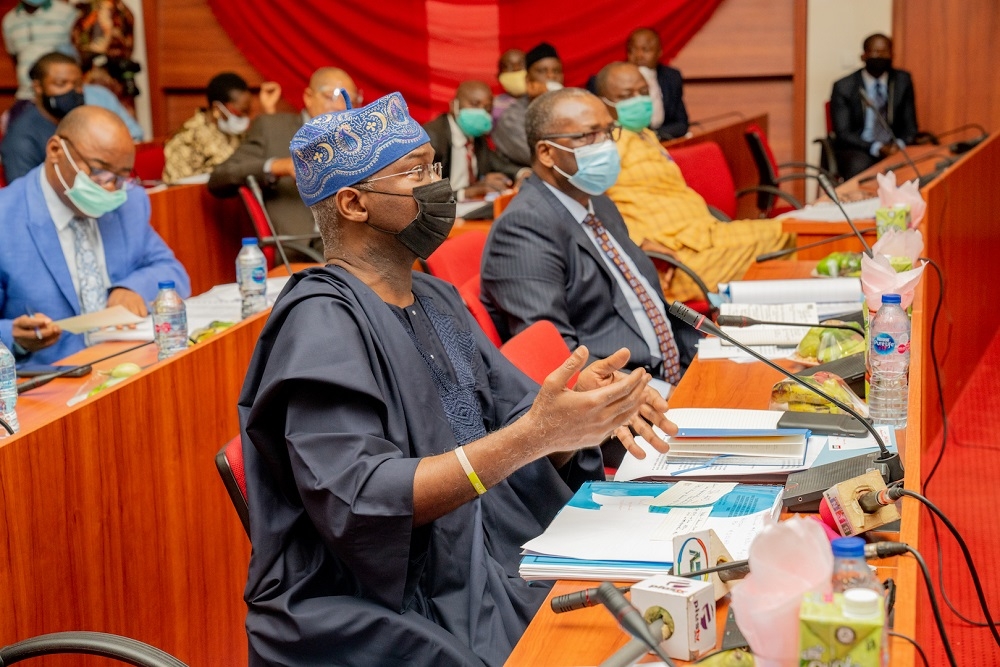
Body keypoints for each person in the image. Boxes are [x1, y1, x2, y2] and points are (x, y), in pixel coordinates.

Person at [238, 90, 675, 667]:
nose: (436, 186)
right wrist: (537, 435)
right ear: (352, 203)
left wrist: (576, 418)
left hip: (488, 542)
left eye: (434, 166)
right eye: (415, 171)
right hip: (386, 597)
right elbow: (362, 500)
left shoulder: (436, 296)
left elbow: (517, 420)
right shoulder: (320, 323)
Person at [481, 87, 699, 397]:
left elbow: (649, 304)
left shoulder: (600, 203)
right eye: (588, 136)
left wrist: (711, 348)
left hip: (674, 371)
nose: (606, 145)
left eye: (609, 131)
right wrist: (651, 393)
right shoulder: (523, 228)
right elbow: (557, 358)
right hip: (622, 397)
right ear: (546, 152)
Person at [0, 106, 190, 366]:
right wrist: (14, 336)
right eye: (98, 171)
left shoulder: (128, 201)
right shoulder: (6, 219)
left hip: (129, 365)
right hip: (49, 382)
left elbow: (172, 272)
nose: (110, 188)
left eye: (122, 177)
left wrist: (132, 289)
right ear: (55, 151)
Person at [595, 62, 789, 302]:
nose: (638, 100)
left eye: (643, 93)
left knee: (788, 231)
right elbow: (592, 203)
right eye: (626, 96)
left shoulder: (646, 135)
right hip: (676, 260)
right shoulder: (605, 145)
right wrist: (638, 242)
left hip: (704, 234)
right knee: (788, 245)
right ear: (604, 103)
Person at [208, 67, 358, 243]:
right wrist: (279, 166)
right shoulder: (272, 128)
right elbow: (219, 178)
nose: (341, 107)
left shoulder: (355, 140)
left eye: (350, 101)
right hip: (301, 247)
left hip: (351, 245)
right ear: (308, 97)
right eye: (332, 96)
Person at [830, 33, 918, 179]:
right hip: (860, 148)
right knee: (860, 168)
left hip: (894, 146)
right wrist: (877, 147)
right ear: (863, 56)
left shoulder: (902, 81)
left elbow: (911, 127)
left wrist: (899, 144)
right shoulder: (844, 86)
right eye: (876, 52)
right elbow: (843, 133)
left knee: (920, 165)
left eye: (885, 52)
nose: (880, 56)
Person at [422, 80, 525, 199]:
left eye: (487, 108)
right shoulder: (432, 138)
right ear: (453, 106)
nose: (481, 112)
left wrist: (522, 173)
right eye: (475, 104)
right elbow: (426, 193)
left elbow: (497, 163)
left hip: (472, 205)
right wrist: (467, 192)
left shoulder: (477, 136)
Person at [1, 51, 84, 182]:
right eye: (61, 84)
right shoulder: (22, 138)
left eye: (77, 84)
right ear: (38, 87)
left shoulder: (79, 120)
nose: (72, 91)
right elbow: (23, 193)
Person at [162, 72, 251, 184]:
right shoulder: (187, 137)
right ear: (217, 109)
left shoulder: (237, 132)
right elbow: (177, 185)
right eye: (239, 113)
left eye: (247, 112)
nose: (245, 118)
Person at [2, 0, 78, 121]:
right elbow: (15, 59)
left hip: (63, 98)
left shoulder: (67, 13)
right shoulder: (9, 21)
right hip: (26, 96)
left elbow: (79, 52)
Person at [492, 42, 564, 168]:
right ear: (527, 79)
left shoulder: (571, 108)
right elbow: (539, 157)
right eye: (542, 71)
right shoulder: (511, 117)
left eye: (556, 71)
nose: (551, 76)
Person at [492, 48, 525, 122]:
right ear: (499, 76)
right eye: (508, 67)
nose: (516, 69)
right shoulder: (493, 105)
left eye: (522, 64)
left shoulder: (541, 100)